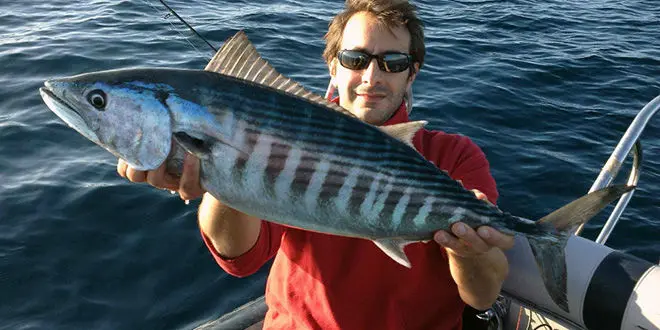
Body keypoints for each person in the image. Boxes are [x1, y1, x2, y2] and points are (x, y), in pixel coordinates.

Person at [117, 0, 514, 328]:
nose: (371, 77)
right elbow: (239, 257)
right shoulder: (278, 137)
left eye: (392, 62)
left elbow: (480, 296)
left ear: (413, 73)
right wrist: (220, 169)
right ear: (333, 66)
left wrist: (468, 249)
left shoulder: (455, 157)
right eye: (355, 58)